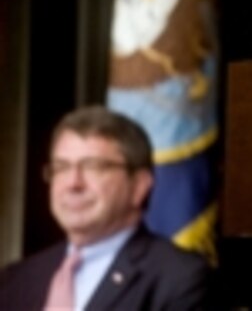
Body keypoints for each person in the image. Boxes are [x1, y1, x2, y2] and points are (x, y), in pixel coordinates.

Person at [0, 105, 214, 310]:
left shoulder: (180, 278)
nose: (73, 183)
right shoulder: (15, 279)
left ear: (139, 185)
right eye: (61, 167)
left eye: (93, 166)